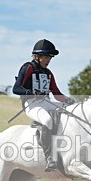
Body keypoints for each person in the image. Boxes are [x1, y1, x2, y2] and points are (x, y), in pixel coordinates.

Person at [12, 39, 75, 172]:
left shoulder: (48, 73)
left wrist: (68, 100)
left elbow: (56, 93)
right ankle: (49, 158)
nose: (48, 60)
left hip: (46, 102)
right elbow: (16, 88)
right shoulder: (28, 67)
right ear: (37, 56)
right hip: (31, 104)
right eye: (46, 57)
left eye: (50, 57)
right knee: (47, 120)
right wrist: (32, 93)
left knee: (71, 112)